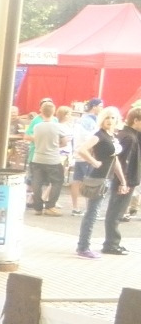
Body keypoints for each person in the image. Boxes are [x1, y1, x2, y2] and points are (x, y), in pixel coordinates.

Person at [75, 107, 127, 258]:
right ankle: (83, 247)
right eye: (107, 117)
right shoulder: (99, 135)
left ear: (117, 120)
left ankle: (84, 246)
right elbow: (82, 149)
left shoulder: (111, 136)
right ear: (102, 120)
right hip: (98, 178)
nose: (109, 121)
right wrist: (94, 161)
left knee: (94, 212)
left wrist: (122, 180)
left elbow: (114, 160)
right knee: (92, 213)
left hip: (107, 178)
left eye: (112, 118)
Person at [102, 106, 141, 254]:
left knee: (116, 211)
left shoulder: (128, 135)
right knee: (116, 212)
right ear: (135, 120)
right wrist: (123, 182)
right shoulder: (129, 137)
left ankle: (112, 242)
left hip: (125, 179)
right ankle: (111, 244)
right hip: (125, 180)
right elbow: (124, 162)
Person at [26, 101, 66, 215]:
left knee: (36, 183)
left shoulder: (37, 127)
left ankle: (38, 208)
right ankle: (50, 206)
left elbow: (32, 137)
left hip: (37, 158)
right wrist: (57, 145)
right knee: (57, 182)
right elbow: (65, 142)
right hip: (53, 159)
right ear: (54, 112)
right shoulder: (58, 126)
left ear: (41, 112)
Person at [69, 98, 103, 217]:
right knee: (90, 182)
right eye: (100, 106)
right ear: (94, 106)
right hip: (87, 155)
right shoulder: (91, 121)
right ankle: (90, 209)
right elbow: (90, 138)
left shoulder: (81, 120)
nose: (101, 108)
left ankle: (76, 207)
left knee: (77, 180)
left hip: (79, 154)